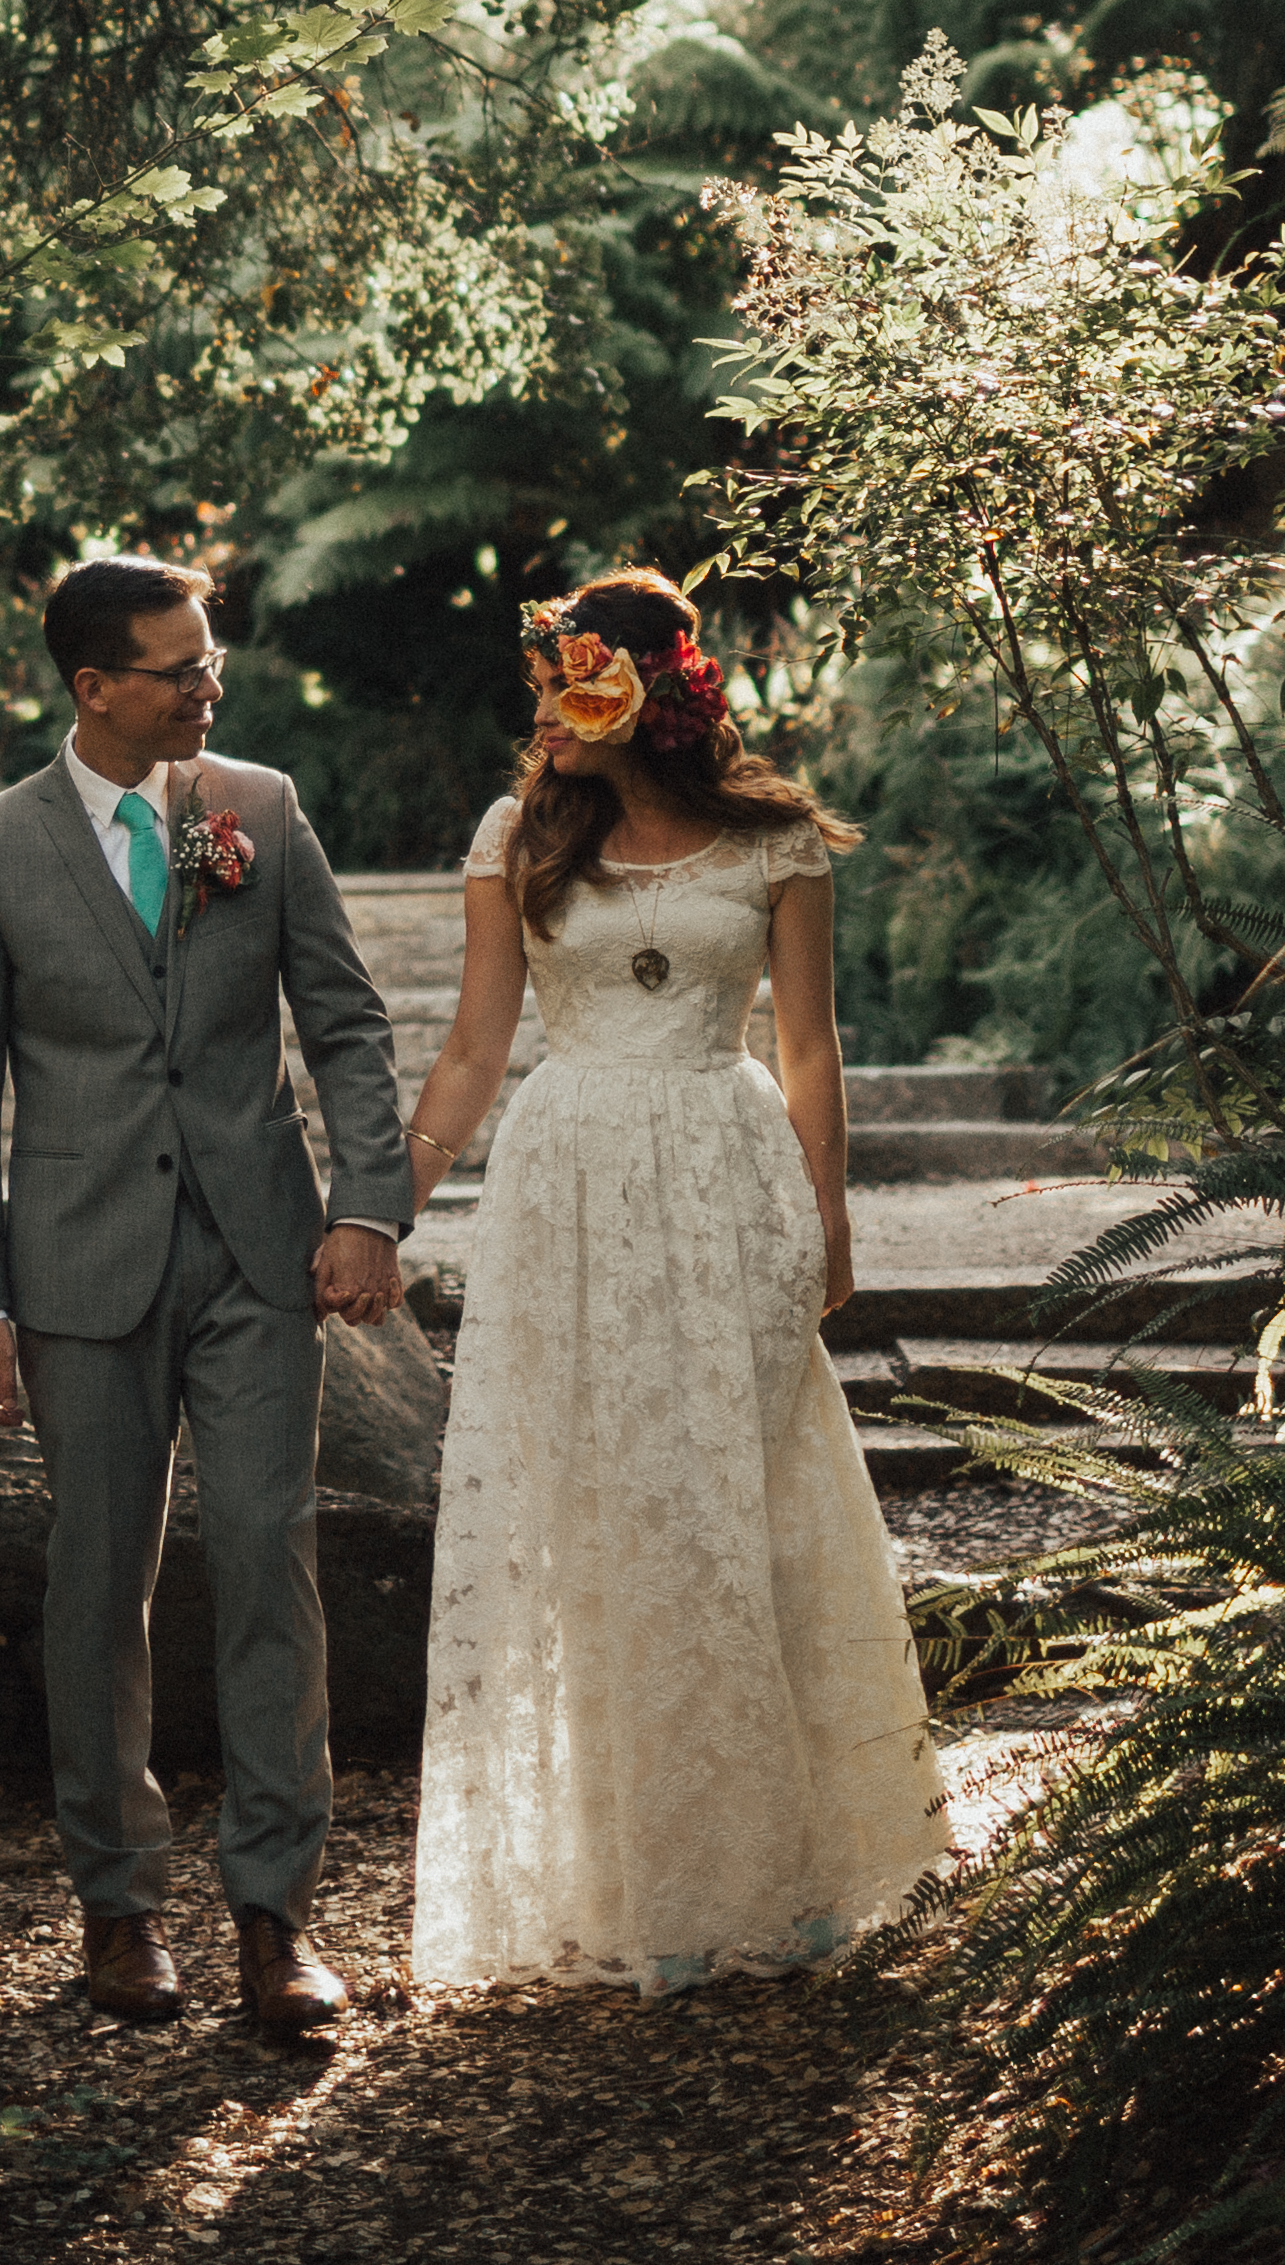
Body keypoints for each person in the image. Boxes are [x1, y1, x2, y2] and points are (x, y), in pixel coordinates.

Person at [395, 567, 948, 1990]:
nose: (547, 715)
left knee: (741, 1507)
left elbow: (812, 1047)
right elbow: (471, 1049)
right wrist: (379, 1208)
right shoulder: (519, 837)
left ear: (648, 690)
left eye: (569, 683)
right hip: (565, 1187)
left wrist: (830, 1221)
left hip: (723, 1176)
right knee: (598, 1522)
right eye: (541, 688)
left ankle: (785, 1865)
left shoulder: (775, 843)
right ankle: (632, 1874)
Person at [0, 552, 418, 2035]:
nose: (213, 686)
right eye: (183, 668)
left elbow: (346, 1022)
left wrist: (369, 1209)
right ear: (95, 688)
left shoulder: (254, 812)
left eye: (213, 663)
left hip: (260, 1257)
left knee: (272, 1559)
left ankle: (276, 1916)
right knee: (100, 1590)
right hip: (78, 1271)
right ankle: (119, 1907)